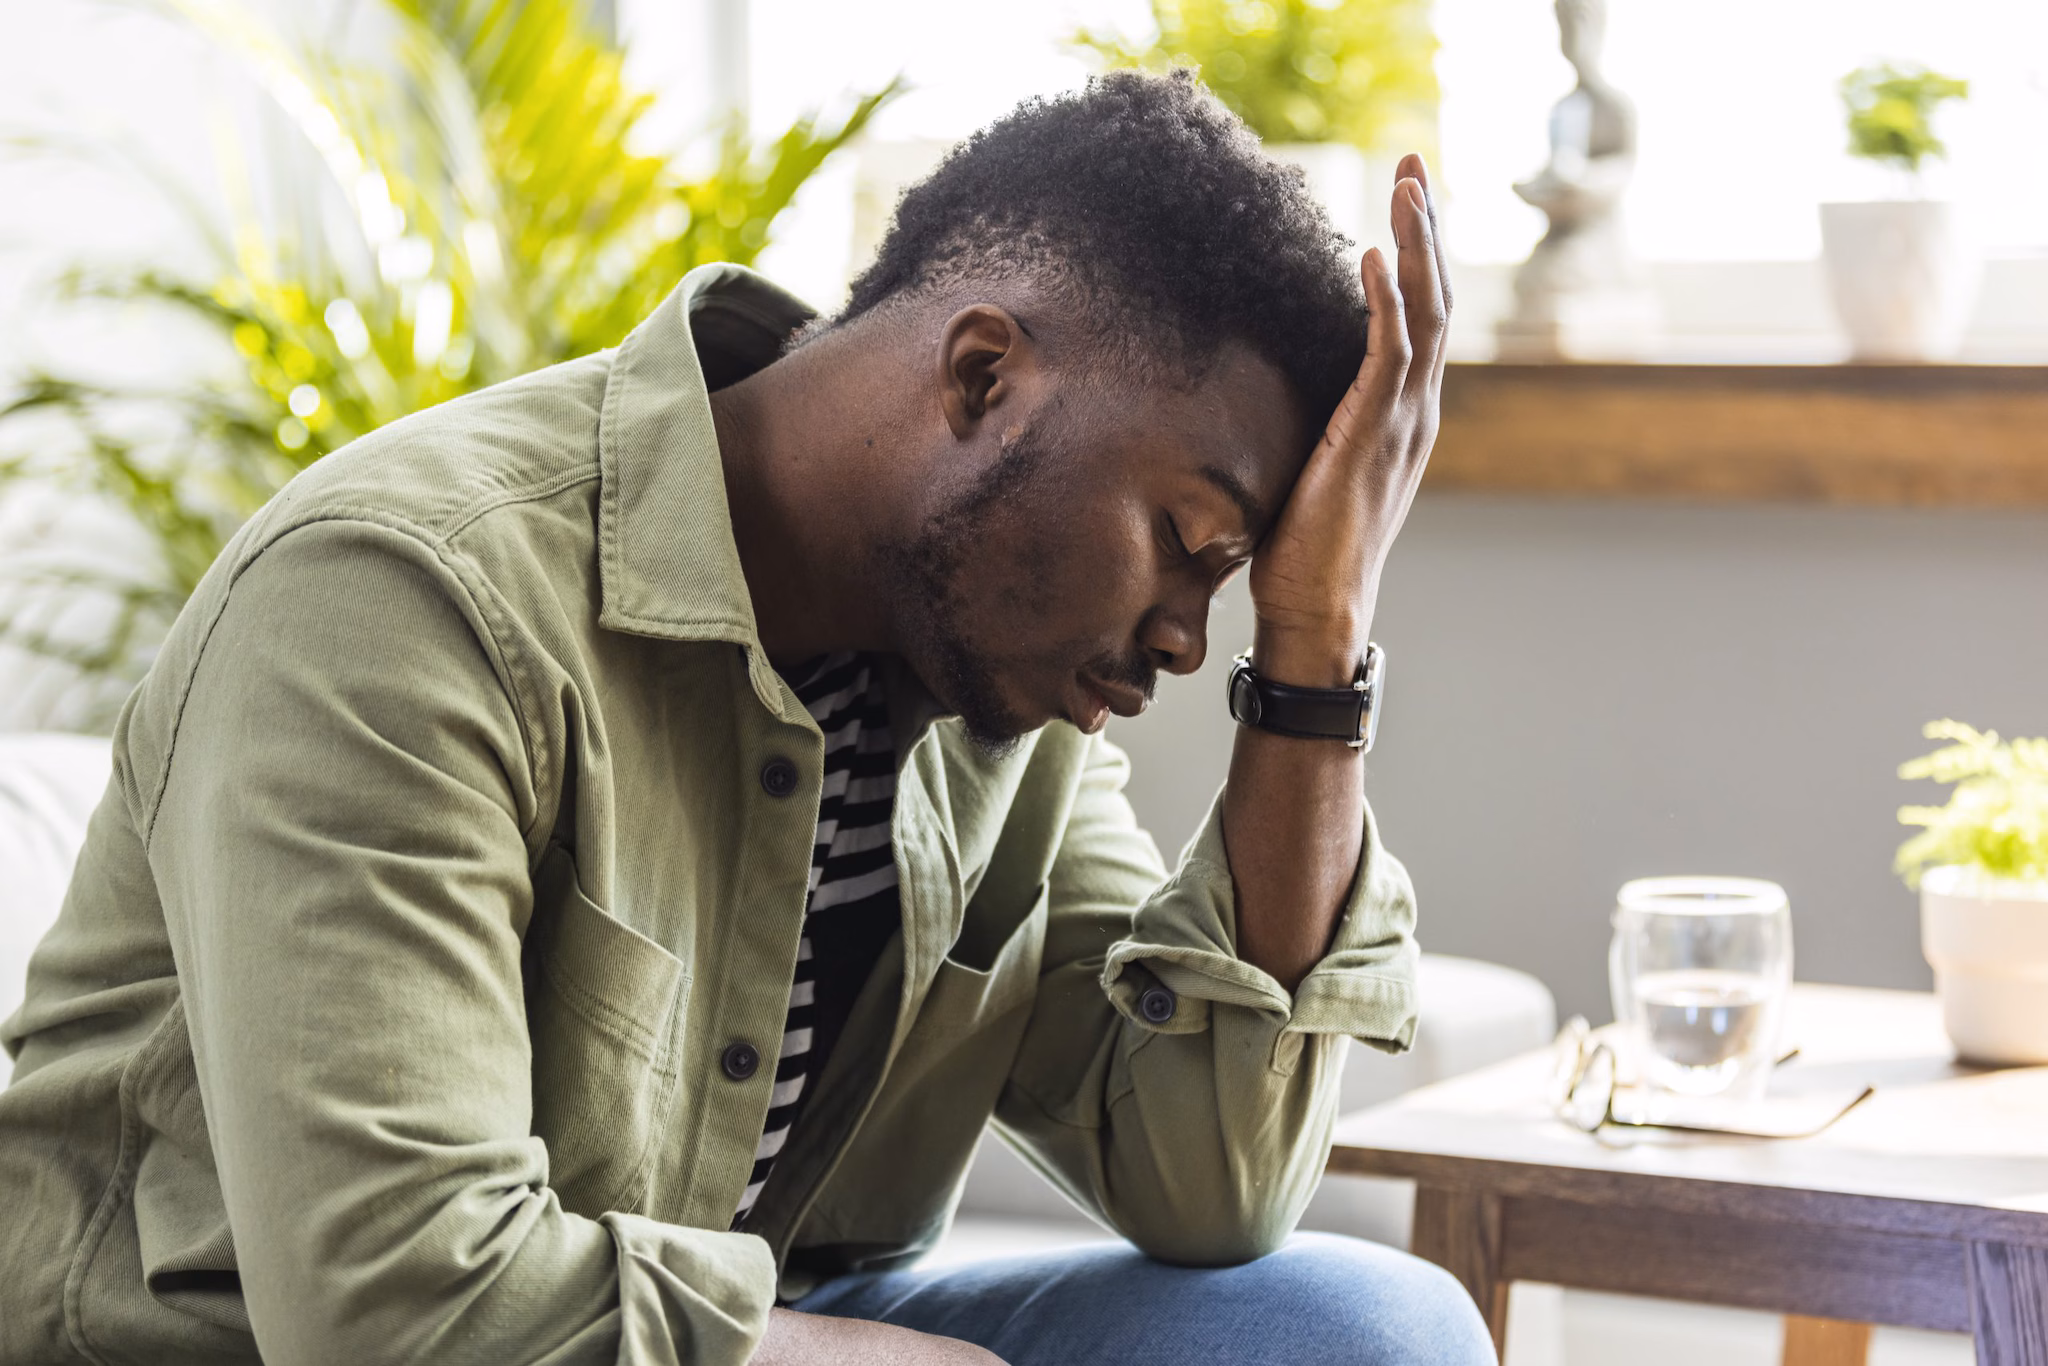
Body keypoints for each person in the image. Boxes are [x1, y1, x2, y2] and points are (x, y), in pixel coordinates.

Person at [0, 71, 1487, 1365]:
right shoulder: (405, 600)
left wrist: (1315, 651)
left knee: (1363, 1336)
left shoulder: (996, 702)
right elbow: (398, 1309)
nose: (1182, 637)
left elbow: (1208, 1183)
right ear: (984, 377)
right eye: (1188, 537)